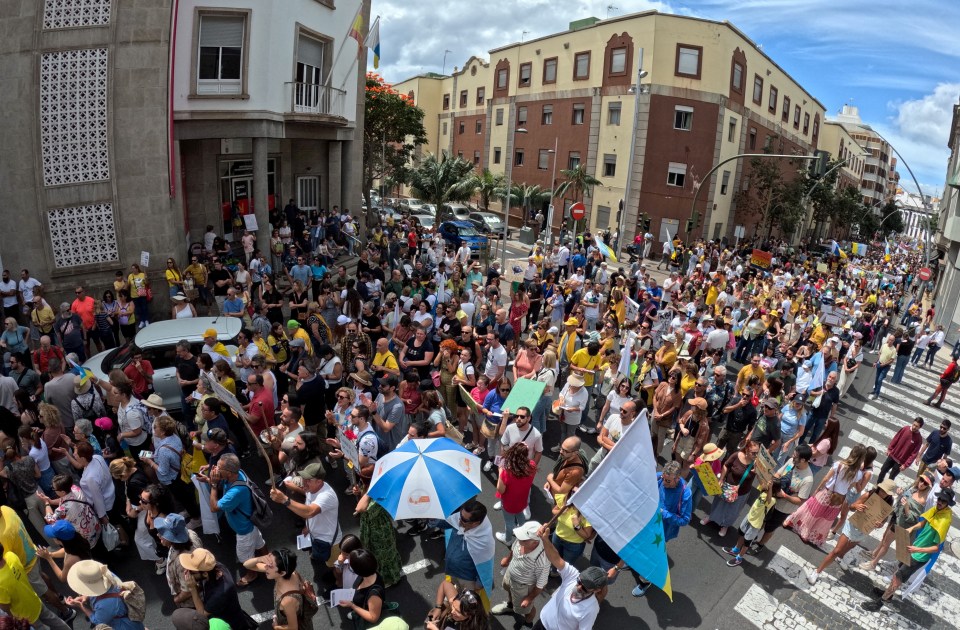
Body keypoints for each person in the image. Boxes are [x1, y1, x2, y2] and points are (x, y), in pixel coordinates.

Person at [860, 488, 956, 612]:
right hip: (913, 549)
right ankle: (888, 596)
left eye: (943, 501)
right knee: (898, 573)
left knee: (897, 579)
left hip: (918, 556)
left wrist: (918, 549)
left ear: (948, 503)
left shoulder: (944, 521)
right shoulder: (937, 510)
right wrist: (912, 528)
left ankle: (879, 603)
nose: (940, 502)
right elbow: (923, 523)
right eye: (940, 498)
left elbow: (937, 547)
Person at [724, 444, 814, 565]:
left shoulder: (808, 479)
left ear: (803, 459)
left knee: (769, 527)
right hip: (769, 500)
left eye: (796, 456)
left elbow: (801, 500)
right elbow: (777, 475)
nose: (792, 456)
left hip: (782, 508)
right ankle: (745, 543)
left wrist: (785, 496)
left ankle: (760, 544)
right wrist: (769, 481)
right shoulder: (792, 462)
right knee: (758, 523)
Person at [806, 479, 898, 584]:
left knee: (851, 546)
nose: (882, 493)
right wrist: (857, 506)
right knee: (836, 550)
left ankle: (840, 558)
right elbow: (851, 506)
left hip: (864, 529)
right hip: (853, 525)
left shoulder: (888, 504)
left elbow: (884, 519)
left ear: (889, 494)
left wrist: (880, 524)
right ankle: (817, 572)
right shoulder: (869, 494)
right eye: (881, 490)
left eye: (885, 492)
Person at [269, 462, 341, 594]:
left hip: (330, 540)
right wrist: (308, 526)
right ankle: (331, 573)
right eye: (304, 479)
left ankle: (338, 583)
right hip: (317, 534)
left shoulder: (326, 496)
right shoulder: (312, 489)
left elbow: (309, 511)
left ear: (319, 481)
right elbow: (308, 503)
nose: (304, 482)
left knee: (336, 566)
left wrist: (285, 499)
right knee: (327, 562)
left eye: (308, 480)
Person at [198, 454, 268, 587]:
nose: (215, 469)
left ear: (229, 473)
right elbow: (221, 484)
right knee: (259, 542)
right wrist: (208, 479)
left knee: (244, 558)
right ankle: (269, 559)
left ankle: (252, 574)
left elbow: (214, 507)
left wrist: (213, 485)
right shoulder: (238, 474)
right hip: (251, 523)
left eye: (219, 467)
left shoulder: (236, 492)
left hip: (243, 530)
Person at [784, 446, 867, 546]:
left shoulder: (839, 464)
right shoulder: (858, 474)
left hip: (826, 493)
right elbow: (850, 487)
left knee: (811, 510)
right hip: (839, 499)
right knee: (825, 519)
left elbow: (826, 479)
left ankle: (795, 524)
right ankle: (810, 536)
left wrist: (817, 489)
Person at [632, 460, 692, 596]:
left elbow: (684, 520)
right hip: (646, 523)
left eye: (668, 481)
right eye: (664, 479)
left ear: (677, 478)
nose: (664, 483)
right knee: (639, 546)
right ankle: (634, 563)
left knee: (652, 556)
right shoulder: (659, 476)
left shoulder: (685, 493)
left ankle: (645, 582)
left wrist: (664, 513)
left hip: (662, 532)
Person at [532, 524, 605, 630]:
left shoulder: (591, 609)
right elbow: (556, 558)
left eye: (584, 588)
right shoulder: (573, 575)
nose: (579, 587)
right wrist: (545, 539)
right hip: (542, 622)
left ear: (597, 590)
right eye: (579, 582)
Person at [175, 548, 256, 629]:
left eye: (191, 571)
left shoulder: (219, 594)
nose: (187, 572)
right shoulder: (215, 566)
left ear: (205, 574)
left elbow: (201, 615)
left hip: (227, 624)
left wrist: (192, 588)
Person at [491, 521, 550, 626]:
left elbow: (541, 584)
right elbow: (513, 550)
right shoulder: (521, 540)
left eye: (522, 537)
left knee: (528, 609)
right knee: (509, 590)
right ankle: (510, 606)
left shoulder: (542, 558)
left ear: (535, 541)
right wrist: (508, 559)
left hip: (523, 586)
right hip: (510, 574)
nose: (518, 538)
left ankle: (528, 623)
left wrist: (529, 598)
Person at [243, 548, 312, 630]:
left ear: (282, 573)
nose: (265, 566)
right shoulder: (290, 572)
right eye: (267, 562)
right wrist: (259, 559)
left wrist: (276, 627)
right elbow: (246, 565)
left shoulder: (287, 601)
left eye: (270, 565)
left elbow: (293, 628)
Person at [495, 442, 537, 545]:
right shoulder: (532, 465)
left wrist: (500, 471)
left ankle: (508, 539)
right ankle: (522, 532)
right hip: (522, 499)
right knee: (520, 514)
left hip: (509, 502)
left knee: (509, 522)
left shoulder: (507, 472)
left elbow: (501, 490)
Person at [878, 417, 924, 483]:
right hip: (892, 456)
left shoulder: (919, 439)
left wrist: (905, 465)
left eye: (916, 426)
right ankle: (878, 486)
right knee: (883, 470)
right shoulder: (905, 429)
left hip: (900, 462)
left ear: (920, 427)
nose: (914, 427)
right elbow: (896, 438)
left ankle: (884, 491)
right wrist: (889, 449)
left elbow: (914, 454)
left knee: (891, 478)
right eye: (914, 424)